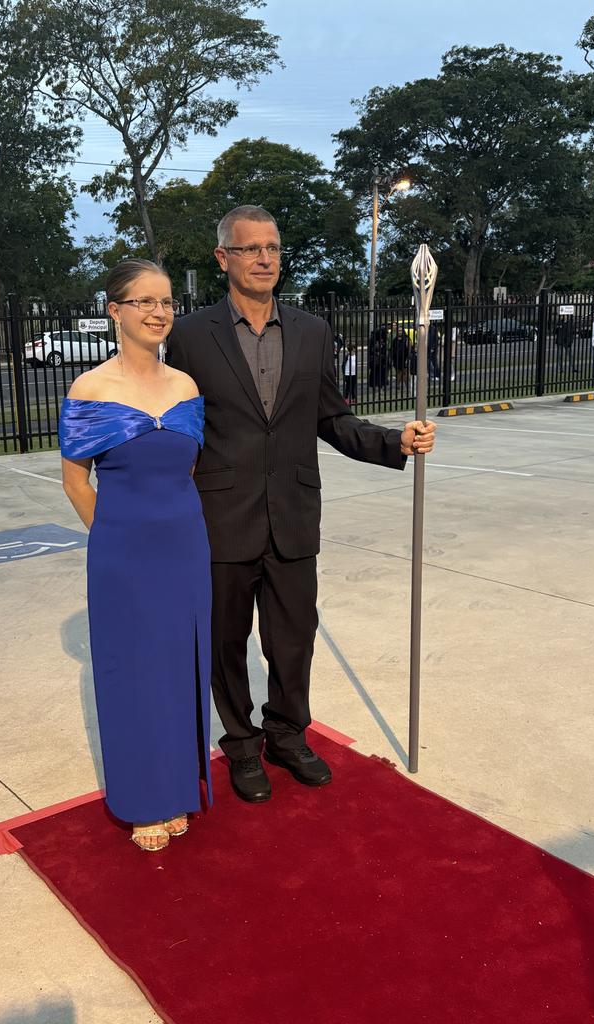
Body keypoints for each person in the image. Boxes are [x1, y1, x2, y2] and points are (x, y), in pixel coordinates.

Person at [167, 205, 436, 803]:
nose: (265, 258)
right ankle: (240, 743)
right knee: (224, 640)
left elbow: (331, 418)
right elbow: (176, 426)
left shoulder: (313, 332)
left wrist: (396, 442)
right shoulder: (189, 337)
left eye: (273, 248)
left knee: (293, 639)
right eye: (250, 249)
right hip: (220, 518)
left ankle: (287, 735)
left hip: (293, 515)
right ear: (223, 259)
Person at [58, 259, 211, 853]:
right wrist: (116, 537)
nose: (158, 312)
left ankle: (176, 789)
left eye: (167, 301)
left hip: (186, 547)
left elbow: (185, 471)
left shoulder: (186, 387)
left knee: (179, 668)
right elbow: (75, 482)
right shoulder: (90, 389)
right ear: (114, 310)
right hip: (121, 554)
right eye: (144, 301)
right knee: (134, 674)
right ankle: (143, 799)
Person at [341, 341, 357, 405]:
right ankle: (346, 398)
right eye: (354, 348)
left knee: (353, 387)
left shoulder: (355, 356)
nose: (354, 349)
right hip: (348, 374)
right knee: (347, 387)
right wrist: (344, 373)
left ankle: (353, 398)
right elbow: (343, 365)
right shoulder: (347, 356)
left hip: (354, 374)